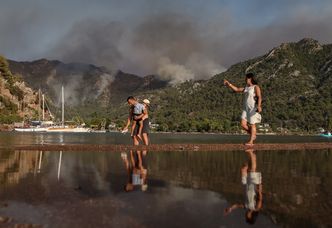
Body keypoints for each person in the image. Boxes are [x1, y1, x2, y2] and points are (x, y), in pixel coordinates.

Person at [224, 149, 263, 225]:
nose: (245, 216)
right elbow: (260, 198)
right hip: (253, 186)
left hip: (247, 185)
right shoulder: (256, 208)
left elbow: (237, 205)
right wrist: (259, 187)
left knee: (244, 169)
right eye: (247, 217)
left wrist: (230, 208)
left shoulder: (246, 207)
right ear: (251, 217)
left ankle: (252, 156)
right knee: (252, 170)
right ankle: (251, 153)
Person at [224, 73, 262, 146]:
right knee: (243, 124)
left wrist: (259, 106)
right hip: (245, 108)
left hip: (252, 108)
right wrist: (229, 84)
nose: (245, 80)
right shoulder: (246, 88)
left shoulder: (255, 87)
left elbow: (259, 96)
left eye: (246, 78)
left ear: (250, 78)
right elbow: (237, 89)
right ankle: (253, 135)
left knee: (252, 124)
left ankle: (251, 142)